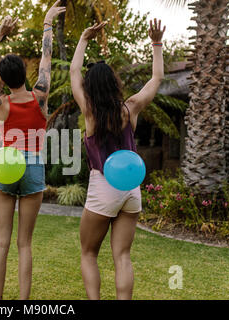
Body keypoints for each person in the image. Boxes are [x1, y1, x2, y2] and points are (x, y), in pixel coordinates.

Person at [70, 19, 166, 300]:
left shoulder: (89, 112)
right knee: (122, 256)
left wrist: (84, 38)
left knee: (88, 253)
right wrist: (156, 44)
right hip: (131, 188)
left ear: (90, 87)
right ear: (114, 83)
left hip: (103, 186)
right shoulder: (130, 108)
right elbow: (156, 78)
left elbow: (75, 70)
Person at [0, 1, 66, 300]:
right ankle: (24, 304)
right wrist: (46, 22)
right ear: (24, 73)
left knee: (2, 241)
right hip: (33, 168)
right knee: (24, 244)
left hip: (5, 165)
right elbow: (46, 57)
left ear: (2, 78)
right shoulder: (40, 95)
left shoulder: (0, 101)